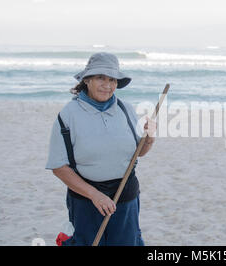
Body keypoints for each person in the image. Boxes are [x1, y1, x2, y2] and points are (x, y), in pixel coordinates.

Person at [46, 52, 156, 246]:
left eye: (112, 79)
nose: (107, 85)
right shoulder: (67, 115)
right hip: (86, 202)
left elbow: (138, 153)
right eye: (100, 78)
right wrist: (95, 195)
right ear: (87, 80)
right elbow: (59, 167)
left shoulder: (127, 109)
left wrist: (149, 138)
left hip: (126, 198)